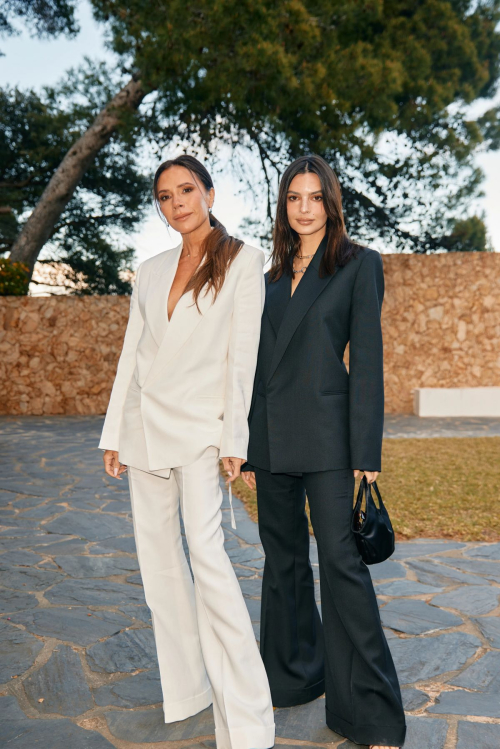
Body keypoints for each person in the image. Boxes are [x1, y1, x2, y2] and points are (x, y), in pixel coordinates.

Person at [99, 154, 275, 749]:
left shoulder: (244, 262)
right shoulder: (149, 271)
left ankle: (249, 716)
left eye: (187, 190)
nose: (178, 204)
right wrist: (113, 432)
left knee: (209, 559)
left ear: (209, 192)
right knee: (159, 567)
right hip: (143, 427)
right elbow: (133, 352)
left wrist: (235, 441)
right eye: (166, 196)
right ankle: (188, 690)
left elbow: (241, 359)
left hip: (201, 431)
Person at [241, 155, 406, 749]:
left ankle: (371, 713)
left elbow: (366, 362)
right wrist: (250, 446)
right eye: (293, 198)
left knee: (341, 566)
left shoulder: (358, 266)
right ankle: (289, 680)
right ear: (283, 206)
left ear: (331, 203)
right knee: (281, 563)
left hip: (332, 442)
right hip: (272, 441)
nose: (304, 208)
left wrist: (367, 451)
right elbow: (254, 368)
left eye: (315, 197)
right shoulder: (265, 279)